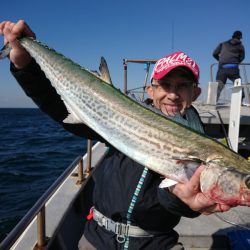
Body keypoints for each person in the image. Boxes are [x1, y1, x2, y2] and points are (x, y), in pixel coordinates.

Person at [0, 20, 232, 250]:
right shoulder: (119, 117)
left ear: (196, 92)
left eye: (183, 85)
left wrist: (181, 200)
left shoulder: (199, 142)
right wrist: (24, 65)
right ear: (150, 90)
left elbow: (178, 203)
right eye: (165, 84)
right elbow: (57, 106)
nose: (172, 94)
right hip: (96, 238)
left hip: (155, 242)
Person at [213, 30, 245, 102]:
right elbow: (242, 57)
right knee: (238, 83)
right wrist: (236, 62)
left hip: (222, 68)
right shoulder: (241, 46)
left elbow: (214, 53)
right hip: (234, 68)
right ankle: (240, 101)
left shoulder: (222, 44)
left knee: (219, 85)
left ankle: (213, 101)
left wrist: (220, 60)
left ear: (232, 36)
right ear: (240, 37)